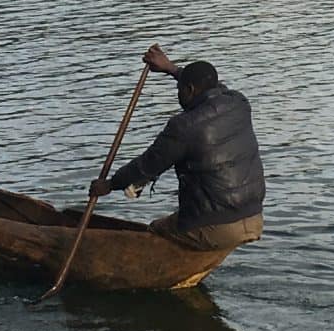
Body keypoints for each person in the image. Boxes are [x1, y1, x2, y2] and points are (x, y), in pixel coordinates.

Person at [90, 44, 266, 252]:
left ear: (189, 90)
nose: (179, 94)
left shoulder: (183, 127)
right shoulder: (238, 102)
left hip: (218, 226)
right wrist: (171, 69)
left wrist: (109, 185)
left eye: (180, 89)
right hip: (254, 217)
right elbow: (215, 87)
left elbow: (146, 166)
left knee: (156, 230)